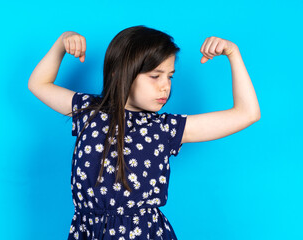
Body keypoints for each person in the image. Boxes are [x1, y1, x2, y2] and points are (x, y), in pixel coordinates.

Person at [28, 25, 260, 240]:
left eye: (170, 76)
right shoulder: (89, 111)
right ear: (119, 74)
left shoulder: (165, 129)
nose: (165, 86)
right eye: (154, 76)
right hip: (88, 232)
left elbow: (247, 113)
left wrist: (233, 53)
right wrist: (61, 43)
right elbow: (38, 84)